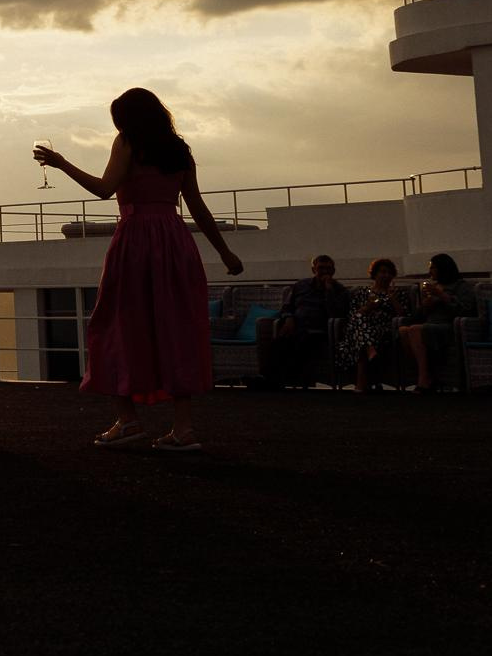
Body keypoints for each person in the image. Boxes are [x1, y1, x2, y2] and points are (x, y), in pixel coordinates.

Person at [35, 88, 243, 452]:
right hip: (175, 241)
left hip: (135, 242)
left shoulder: (128, 142)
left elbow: (104, 189)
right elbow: (196, 206)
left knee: (114, 326)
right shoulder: (179, 150)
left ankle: (128, 420)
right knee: (176, 329)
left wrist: (61, 163)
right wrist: (225, 252)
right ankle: (183, 428)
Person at [261, 254, 350, 388]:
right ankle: (268, 378)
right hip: (296, 326)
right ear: (314, 269)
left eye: (328, 268)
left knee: (301, 340)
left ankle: (280, 380)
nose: (325, 271)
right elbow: (287, 306)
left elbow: (336, 314)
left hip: (320, 331)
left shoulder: (340, 290)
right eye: (321, 268)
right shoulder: (301, 285)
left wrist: (329, 292)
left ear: (333, 271)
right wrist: (289, 319)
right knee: (279, 341)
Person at [396, 253, 475, 392]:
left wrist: (442, 296)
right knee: (403, 331)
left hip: (449, 326)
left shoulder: (461, 286)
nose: (430, 271)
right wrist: (426, 305)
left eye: (433, 268)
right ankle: (427, 372)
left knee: (415, 330)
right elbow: (420, 315)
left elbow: (466, 310)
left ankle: (424, 379)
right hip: (430, 323)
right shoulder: (434, 286)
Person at [337, 258, 403, 392]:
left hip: (384, 327)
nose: (386, 275)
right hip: (363, 327)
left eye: (389, 273)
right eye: (382, 272)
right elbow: (354, 315)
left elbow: (403, 316)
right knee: (361, 324)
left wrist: (393, 300)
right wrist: (368, 307)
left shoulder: (397, 293)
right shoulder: (362, 292)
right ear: (375, 274)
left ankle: (361, 382)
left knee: (360, 336)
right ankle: (370, 351)